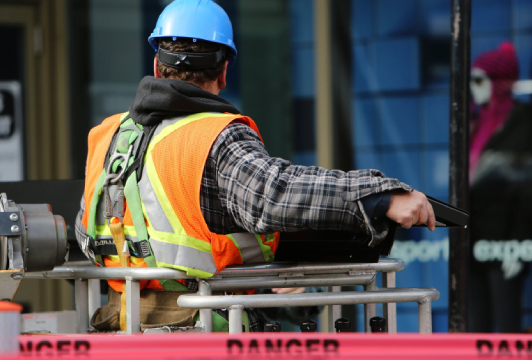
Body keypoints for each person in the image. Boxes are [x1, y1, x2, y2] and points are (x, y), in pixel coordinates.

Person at [75, 0, 435, 332]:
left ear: (156, 65)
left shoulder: (107, 135)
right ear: (224, 71)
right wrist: (379, 197)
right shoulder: (214, 136)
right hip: (199, 331)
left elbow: (87, 233)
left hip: (120, 329)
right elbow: (273, 194)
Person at [468, 41, 532, 333]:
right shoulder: (472, 122)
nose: (473, 87)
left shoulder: (524, 123)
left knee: (507, 326)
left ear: (499, 82)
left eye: (479, 79)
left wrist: (519, 246)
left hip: (507, 239)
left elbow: (526, 190)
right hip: (472, 239)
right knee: (473, 325)